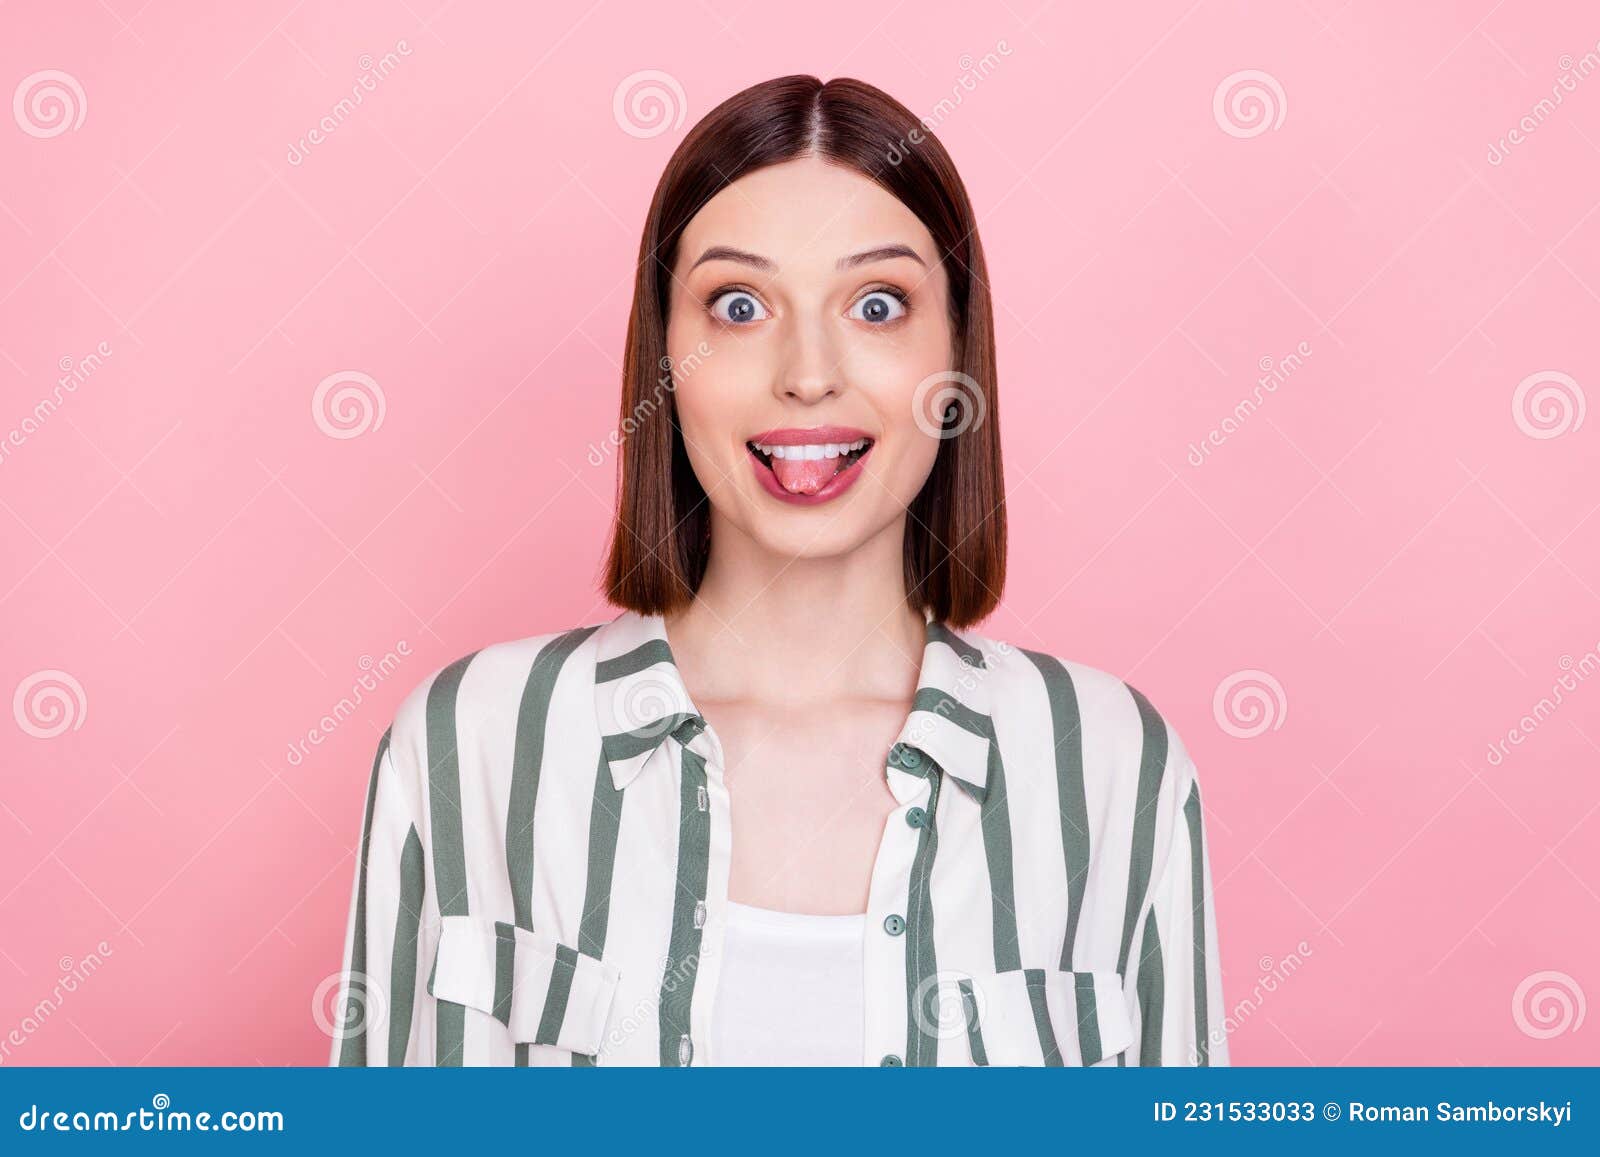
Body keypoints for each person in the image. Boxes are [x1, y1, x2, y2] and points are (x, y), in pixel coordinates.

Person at [330, 74, 1227, 1068]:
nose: (807, 370)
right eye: (739, 303)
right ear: (663, 355)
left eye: (878, 303)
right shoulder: (468, 745)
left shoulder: (1110, 766)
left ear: (956, 355)